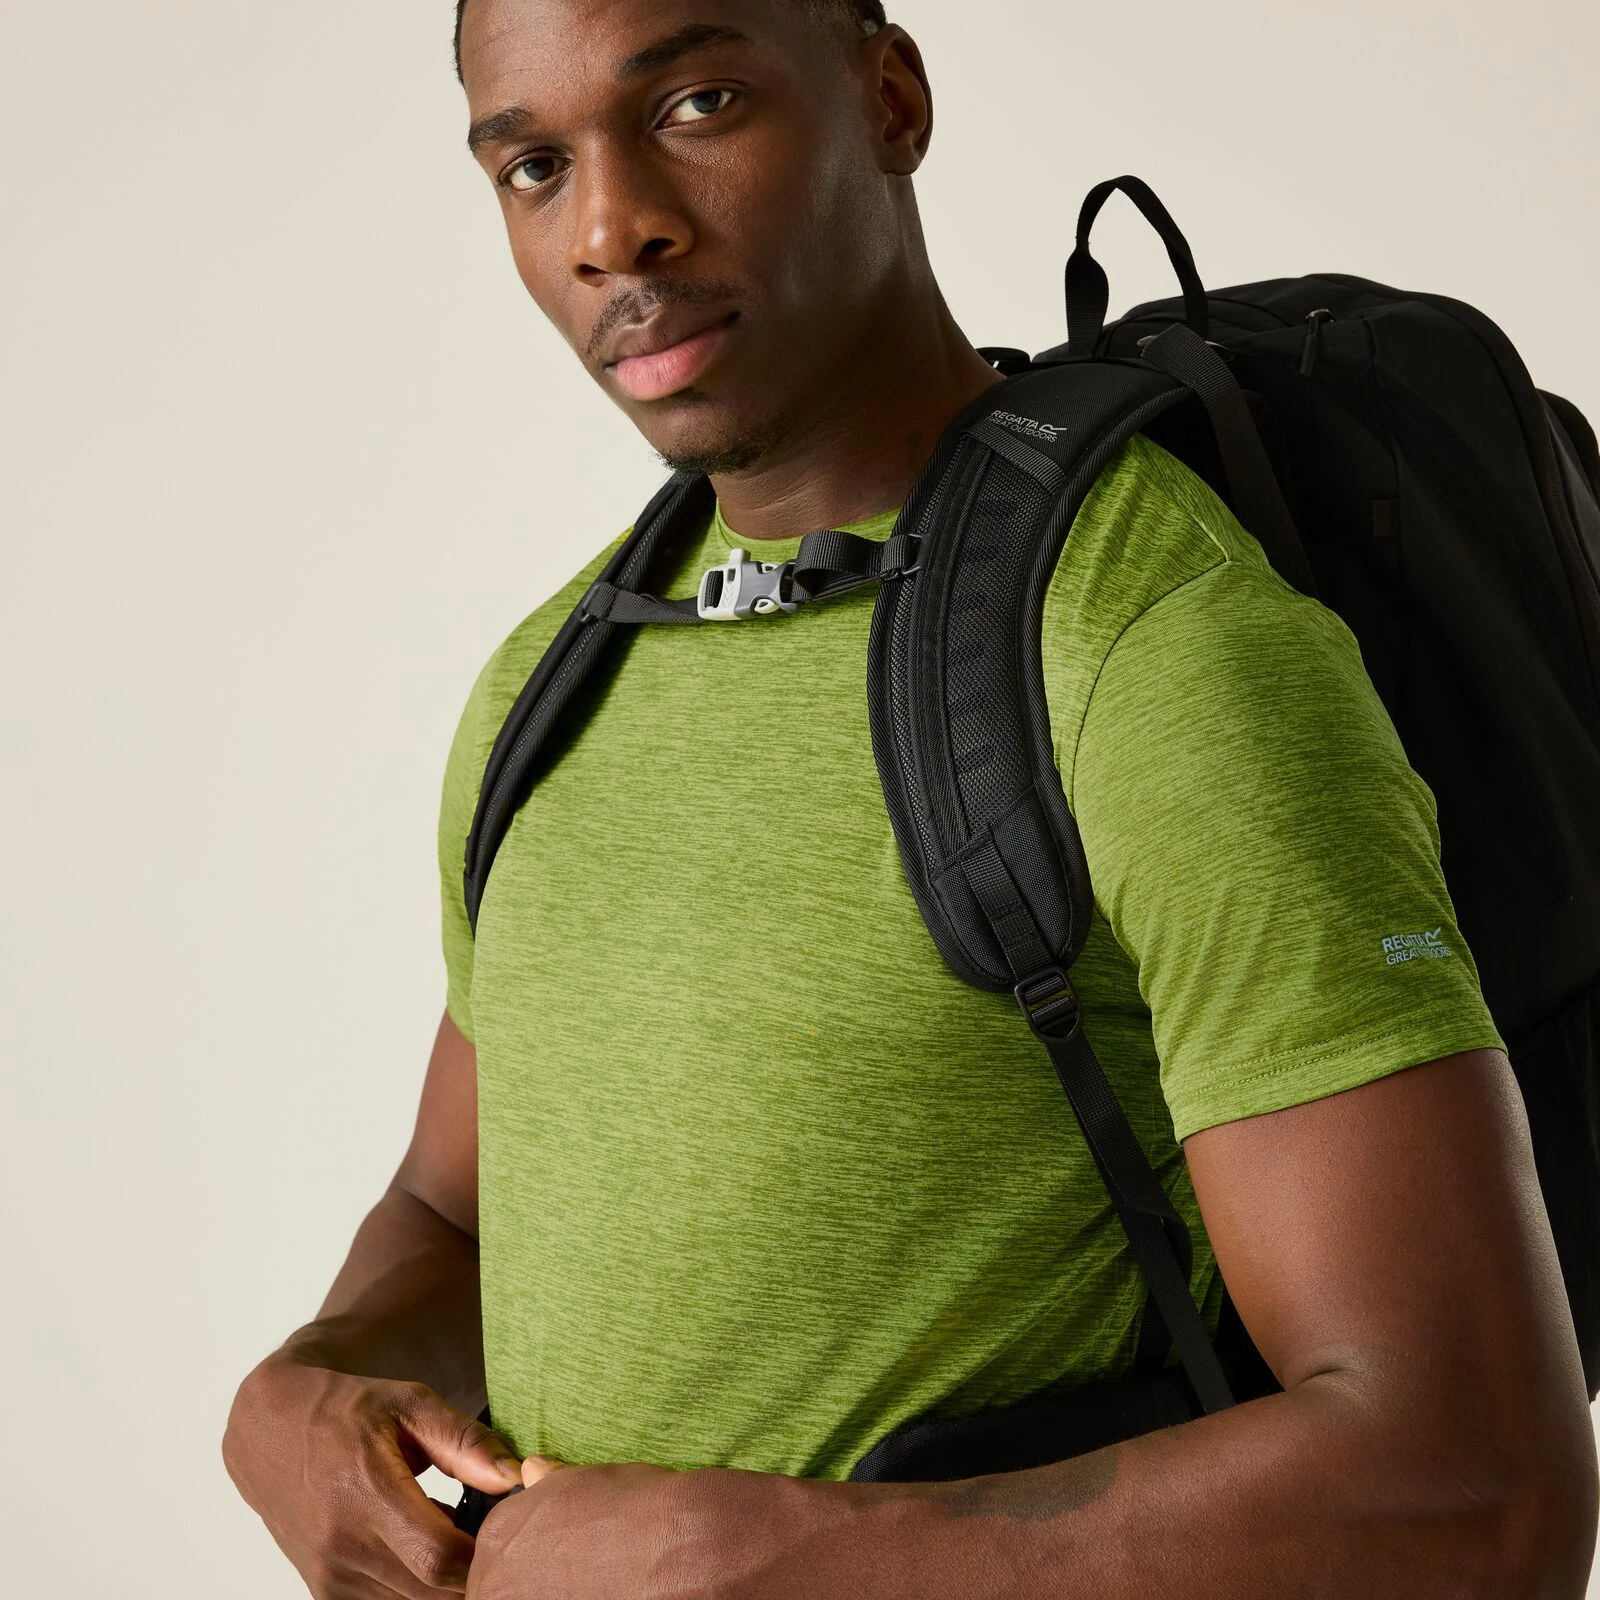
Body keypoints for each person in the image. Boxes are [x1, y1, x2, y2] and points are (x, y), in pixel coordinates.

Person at [222, 0, 1600, 1594]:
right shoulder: (552, 680)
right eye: (534, 168)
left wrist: (795, 1563)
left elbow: (1479, 1492)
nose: (612, 231)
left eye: (695, 104)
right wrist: (303, 1391)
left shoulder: (1149, 646)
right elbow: (449, 1211)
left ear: (889, 100)